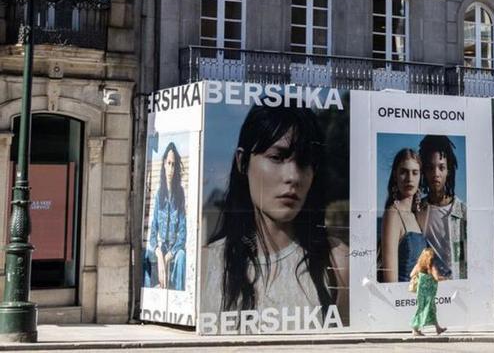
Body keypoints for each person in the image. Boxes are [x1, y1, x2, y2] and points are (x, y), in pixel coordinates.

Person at [203, 103, 349, 327]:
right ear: (243, 162)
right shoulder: (206, 265)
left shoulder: (337, 263)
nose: (293, 176)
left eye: (304, 161)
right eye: (277, 157)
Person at [417, 135, 467, 279]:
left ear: (448, 170)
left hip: (458, 288)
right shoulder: (419, 210)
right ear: (424, 172)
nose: (436, 174)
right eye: (430, 168)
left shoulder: (463, 212)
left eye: (441, 167)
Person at [143, 141, 187, 291]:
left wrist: (169, 255)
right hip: (160, 248)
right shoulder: (158, 194)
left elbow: (182, 233)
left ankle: (178, 296)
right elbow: (153, 229)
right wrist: (159, 255)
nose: (171, 168)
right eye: (169, 163)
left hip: (174, 249)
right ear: (163, 164)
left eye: (174, 164)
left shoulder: (180, 193)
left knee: (181, 256)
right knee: (146, 254)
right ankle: (150, 297)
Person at [379, 148, 427, 283]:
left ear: (420, 177)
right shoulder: (393, 214)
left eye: (415, 173)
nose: (409, 178)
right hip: (402, 300)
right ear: (395, 175)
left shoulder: (415, 215)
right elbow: (390, 282)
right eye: (404, 172)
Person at [409, 247, 447, 336]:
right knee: (426, 309)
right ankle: (415, 328)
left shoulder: (418, 265)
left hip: (421, 292)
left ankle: (438, 328)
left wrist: (420, 276)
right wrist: (445, 278)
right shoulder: (431, 265)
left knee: (428, 309)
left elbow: (411, 274)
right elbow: (437, 278)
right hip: (429, 293)